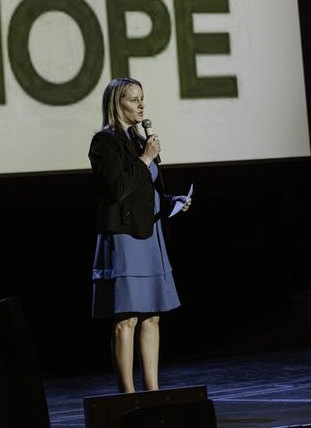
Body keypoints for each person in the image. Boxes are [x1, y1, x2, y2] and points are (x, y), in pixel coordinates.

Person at [88, 77, 191, 393]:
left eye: (142, 98)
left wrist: (171, 201)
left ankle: (152, 391)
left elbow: (144, 189)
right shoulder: (104, 143)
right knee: (127, 318)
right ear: (117, 104)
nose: (141, 105)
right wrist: (146, 158)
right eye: (134, 100)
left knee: (152, 316)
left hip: (150, 233)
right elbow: (119, 190)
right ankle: (127, 395)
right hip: (125, 237)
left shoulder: (137, 140)